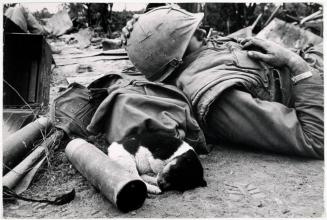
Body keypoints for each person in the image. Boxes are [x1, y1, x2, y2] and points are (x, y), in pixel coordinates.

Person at [123, 5, 324, 159]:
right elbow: (316, 138)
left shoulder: (193, 56)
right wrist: (296, 64)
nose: (205, 32)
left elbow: (152, 56)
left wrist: (144, 27)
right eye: (195, 34)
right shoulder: (218, 95)